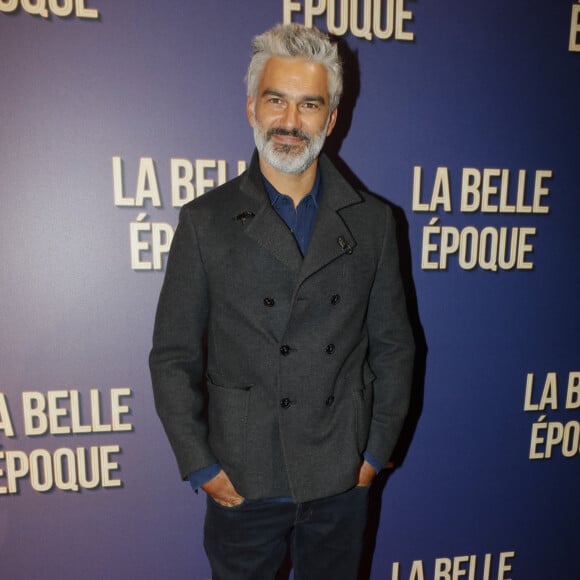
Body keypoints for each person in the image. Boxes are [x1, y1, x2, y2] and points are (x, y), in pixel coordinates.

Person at [149, 22, 415, 580]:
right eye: (277, 100)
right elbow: (173, 355)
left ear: (331, 118)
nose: (291, 122)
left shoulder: (373, 222)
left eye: (309, 105)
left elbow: (394, 347)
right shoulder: (206, 222)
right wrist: (203, 465)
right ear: (252, 108)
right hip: (244, 476)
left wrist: (371, 456)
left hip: (341, 474)